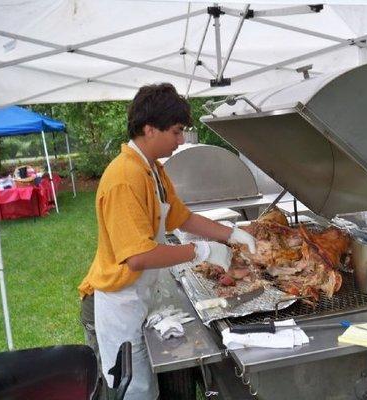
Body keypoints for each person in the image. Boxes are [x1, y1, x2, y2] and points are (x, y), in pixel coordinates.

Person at [78, 83, 256, 400]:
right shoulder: (124, 178)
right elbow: (137, 256)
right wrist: (199, 250)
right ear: (149, 129)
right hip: (118, 302)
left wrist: (231, 234)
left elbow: (181, 218)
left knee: (148, 386)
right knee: (133, 391)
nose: (181, 139)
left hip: (139, 297)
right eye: (176, 132)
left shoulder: (152, 170)